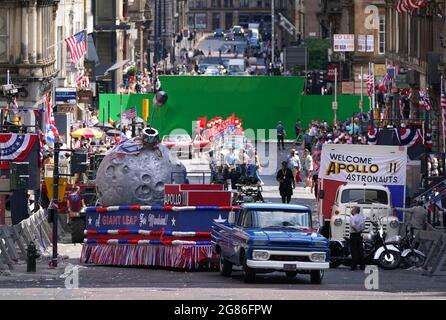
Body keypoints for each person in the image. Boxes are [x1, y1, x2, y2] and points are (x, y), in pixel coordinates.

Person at [349, 206, 365, 270]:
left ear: (355, 210)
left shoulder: (352, 218)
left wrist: (357, 229)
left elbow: (353, 225)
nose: (352, 210)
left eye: (353, 209)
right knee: (360, 251)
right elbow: (364, 226)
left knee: (354, 251)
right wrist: (359, 230)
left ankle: (354, 266)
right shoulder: (362, 218)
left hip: (353, 235)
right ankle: (362, 266)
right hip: (360, 235)